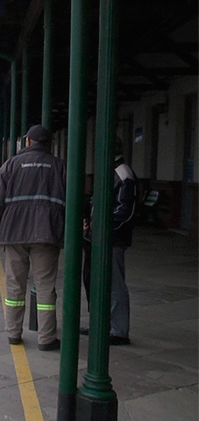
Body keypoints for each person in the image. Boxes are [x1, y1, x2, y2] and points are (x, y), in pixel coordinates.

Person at [0, 124, 67, 351]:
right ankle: (46, 338)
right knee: (45, 287)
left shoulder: (11, 165)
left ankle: (13, 333)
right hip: (47, 232)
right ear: (48, 144)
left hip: (14, 232)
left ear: (27, 142)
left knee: (14, 285)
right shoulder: (59, 166)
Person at [81, 136, 136, 345]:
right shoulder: (111, 172)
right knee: (96, 281)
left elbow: (125, 210)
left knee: (114, 284)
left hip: (113, 239)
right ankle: (101, 324)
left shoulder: (122, 174)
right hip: (99, 237)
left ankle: (119, 329)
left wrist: (102, 225)